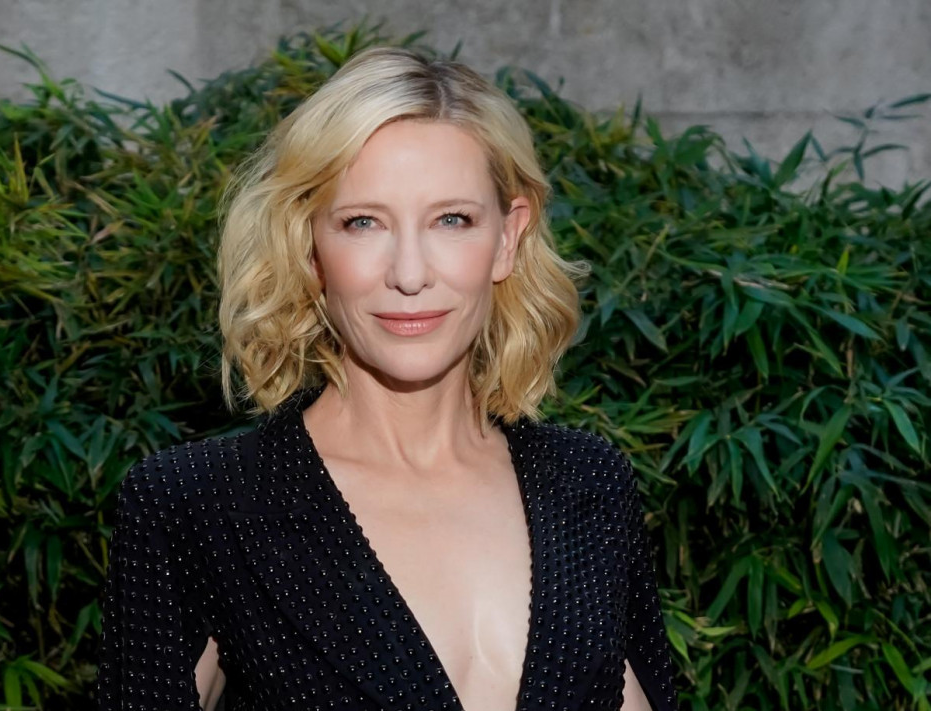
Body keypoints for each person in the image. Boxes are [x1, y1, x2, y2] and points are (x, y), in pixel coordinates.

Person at [96, 46, 677, 711]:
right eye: (363, 222)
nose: (409, 273)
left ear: (507, 239)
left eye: (451, 220)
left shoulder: (588, 484)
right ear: (308, 245)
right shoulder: (196, 505)